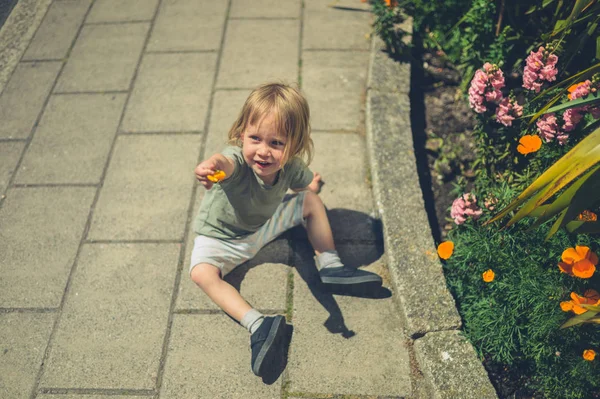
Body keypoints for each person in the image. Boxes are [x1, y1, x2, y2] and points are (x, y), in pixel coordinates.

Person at [190, 82, 382, 377]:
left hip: (264, 225)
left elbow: (301, 183)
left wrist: (312, 185)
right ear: (242, 133)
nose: (263, 152)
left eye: (276, 143)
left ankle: (331, 265)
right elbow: (223, 162)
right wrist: (208, 166)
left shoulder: (291, 166)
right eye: (255, 138)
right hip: (222, 237)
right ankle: (259, 325)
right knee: (201, 273)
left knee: (311, 201)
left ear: (294, 145)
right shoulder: (236, 161)